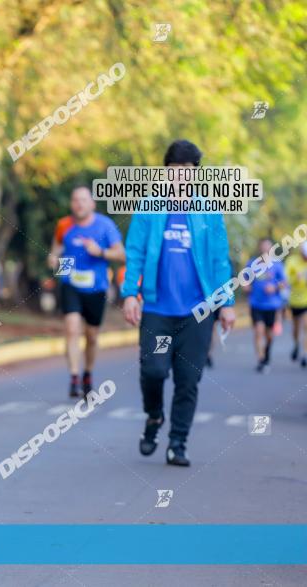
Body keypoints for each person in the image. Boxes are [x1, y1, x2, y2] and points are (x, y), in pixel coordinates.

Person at [122, 139, 236, 467]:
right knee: (154, 371)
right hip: (158, 311)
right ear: (166, 172)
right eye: (175, 170)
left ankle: (178, 443)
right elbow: (135, 253)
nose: (181, 177)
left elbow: (219, 262)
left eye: (187, 171)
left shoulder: (209, 213)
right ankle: (154, 416)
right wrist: (131, 293)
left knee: (188, 380)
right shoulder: (148, 208)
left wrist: (226, 302)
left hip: (198, 313)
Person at [48, 186, 125, 398]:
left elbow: (122, 255)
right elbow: (55, 251)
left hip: (96, 287)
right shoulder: (64, 225)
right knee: (72, 329)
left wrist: (100, 251)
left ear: (92, 204)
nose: (79, 204)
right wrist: (53, 259)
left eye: (83, 200)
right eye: (75, 200)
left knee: (91, 336)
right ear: (71, 204)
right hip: (70, 285)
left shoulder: (105, 226)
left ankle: (87, 372)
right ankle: (74, 377)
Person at [245, 238, 287, 373]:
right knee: (258, 330)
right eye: (263, 246)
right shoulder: (252, 263)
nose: (265, 249)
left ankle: (267, 353)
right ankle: (261, 359)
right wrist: (246, 286)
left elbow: (284, 284)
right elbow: (245, 280)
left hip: (272, 305)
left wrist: (274, 288)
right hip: (256, 304)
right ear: (260, 248)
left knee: (269, 335)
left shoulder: (277, 265)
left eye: (268, 247)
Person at [285, 242, 307, 368]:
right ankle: (296, 344)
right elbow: (285, 280)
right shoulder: (292, 261)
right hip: (294, 300)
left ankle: (305, 354)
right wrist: (295, 278)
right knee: (296, 328)